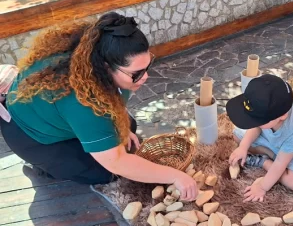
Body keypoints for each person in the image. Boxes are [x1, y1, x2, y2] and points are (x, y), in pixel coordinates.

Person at [0, 12, 198, 201]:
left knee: (129, 128)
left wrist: (121, 130)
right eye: (136, 73)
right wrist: (175, 176)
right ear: (105, 67)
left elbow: (117, 103)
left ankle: (81, 141)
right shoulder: (84, 100)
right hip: (30, 137)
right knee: (105, 172)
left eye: (147, 66)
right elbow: (117, 162)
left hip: (55, 114)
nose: (145, 77)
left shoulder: (97, 53)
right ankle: (46, 166)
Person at [226, 74, 293, 202]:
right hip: (274, 140)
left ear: (282, 116)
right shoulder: (271, 114)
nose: (253, 122)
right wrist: (243, 147)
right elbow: (256, 126)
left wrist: (262, 187)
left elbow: (280, 163)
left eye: (257, 120)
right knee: (238, 136)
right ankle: (270, 154)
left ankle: (263, 161)